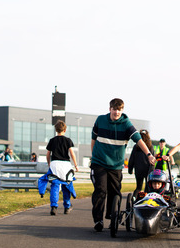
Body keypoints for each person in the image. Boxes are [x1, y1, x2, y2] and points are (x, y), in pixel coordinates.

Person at [90, 98, 156, 232]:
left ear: (122, 110)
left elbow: (138, 140)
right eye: (114, 109)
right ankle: (98, 220)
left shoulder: (126, 124)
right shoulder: (100, 120)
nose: (117, 112)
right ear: (110, 109)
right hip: (99, 163)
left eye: (119, 110)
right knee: (101, 190)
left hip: (115, 165)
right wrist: (93, 156)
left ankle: (111, 214)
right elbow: (93, 139)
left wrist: (149, 154)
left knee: (115, 192)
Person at [45, 121, 79, 215]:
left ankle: (54, 207)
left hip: (55, 164)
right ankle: (67, 206)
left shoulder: (52, 140)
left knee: (55, 186)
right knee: (66, 186)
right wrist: (75, 165)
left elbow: (48, 154)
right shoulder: (68, 140)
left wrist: (49, 164)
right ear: (65, 130)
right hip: (65, 165)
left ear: (56, 130)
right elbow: (72, 153)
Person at [128, 129, 154, 199]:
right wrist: (152, 171)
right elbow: (153, 161)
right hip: (147, 170)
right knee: (148, 188)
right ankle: (146, 202)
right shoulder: (150, 147)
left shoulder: (136, 147)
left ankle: (133, 200)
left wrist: (130, 170)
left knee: (138, 188)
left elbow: (131, 159)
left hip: (138, 170)